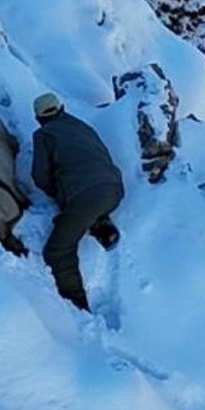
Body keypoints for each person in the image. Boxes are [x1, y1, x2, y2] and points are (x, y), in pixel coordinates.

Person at [31, 92, 124, 311]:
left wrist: (59, 192)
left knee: (57, 250)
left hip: (85, 197)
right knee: (85, 208)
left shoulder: (43, 135)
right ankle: (102, 226)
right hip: (115, 188)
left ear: (39, 118)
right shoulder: (82, 126)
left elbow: (39, 176)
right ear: (61, 108)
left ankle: (76, 303)